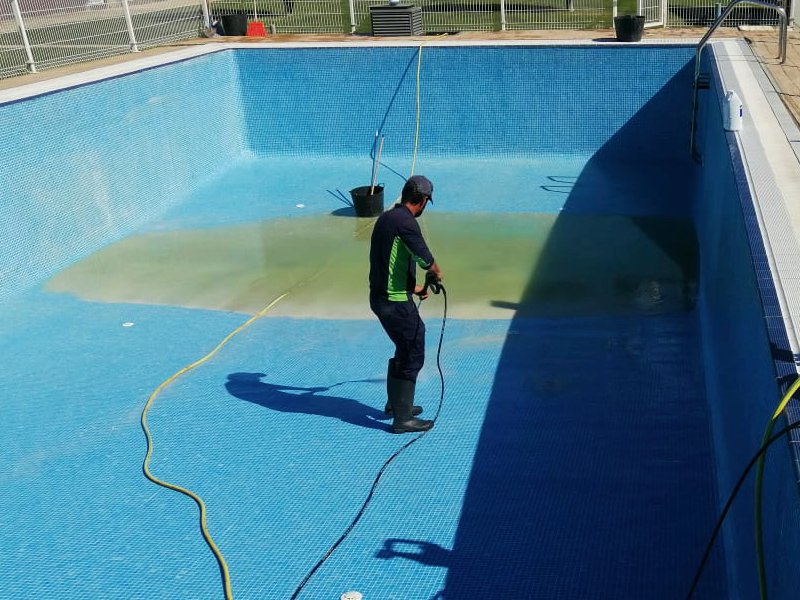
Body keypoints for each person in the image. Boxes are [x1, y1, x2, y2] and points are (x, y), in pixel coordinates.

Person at [369, 175, 443, 434]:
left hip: (381, 297)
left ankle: (396, 404)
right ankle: (402, 419)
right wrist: (435, 273)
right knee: (413, 347)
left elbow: (391, 262)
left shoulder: (386, 218)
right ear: (423, 200)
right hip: (394, 302)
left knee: (404, 345)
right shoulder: (407, 223)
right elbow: (426, 260)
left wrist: (416, 287)